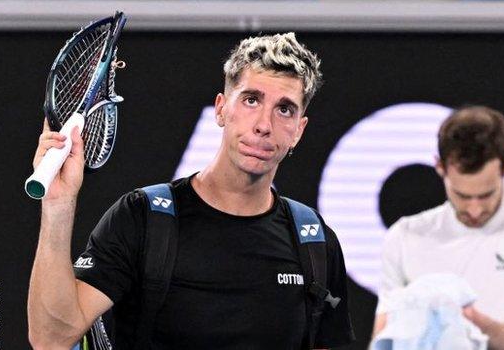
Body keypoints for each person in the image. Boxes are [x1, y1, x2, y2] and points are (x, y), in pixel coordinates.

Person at [28, 32, 354, 349]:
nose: (264, 125)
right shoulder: (140, 218)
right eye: (251, 100)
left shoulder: (316, 244)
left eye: (285, 109)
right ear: (221, 109)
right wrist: (58, 205)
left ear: (299, 130)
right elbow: (51, 339)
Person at [372, 105, 504, 349]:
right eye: (462, 196)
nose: (474, 210)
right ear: (440, 168)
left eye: (486, 195)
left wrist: (472, 323)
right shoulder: (403, 237)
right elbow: (384, 340)